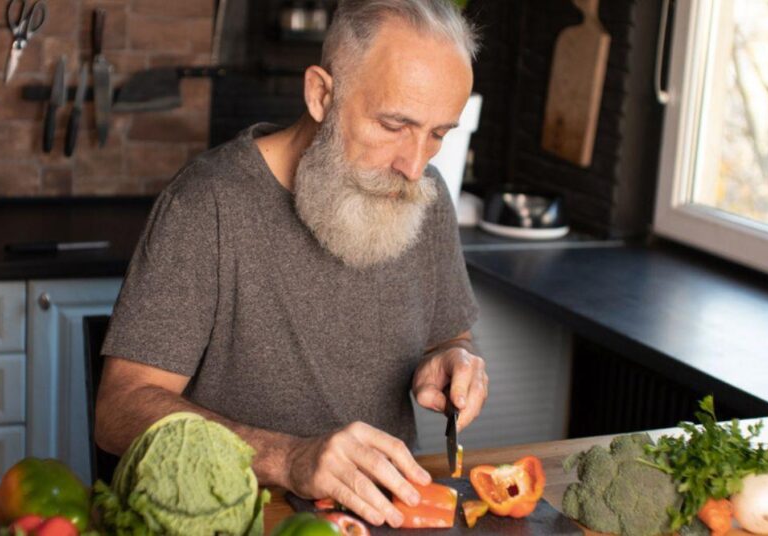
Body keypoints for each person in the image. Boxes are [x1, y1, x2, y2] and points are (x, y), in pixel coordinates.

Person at [94, 0, 487, 528]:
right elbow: (118, 410)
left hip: (384, 516)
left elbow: (448, 334)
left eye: (438, 133)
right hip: (245, 517)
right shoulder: (208, 203)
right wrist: (290, 458)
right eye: (395, 124)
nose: (415, 165)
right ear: (321, 94)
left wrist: (454, 357)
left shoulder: (424, 193)